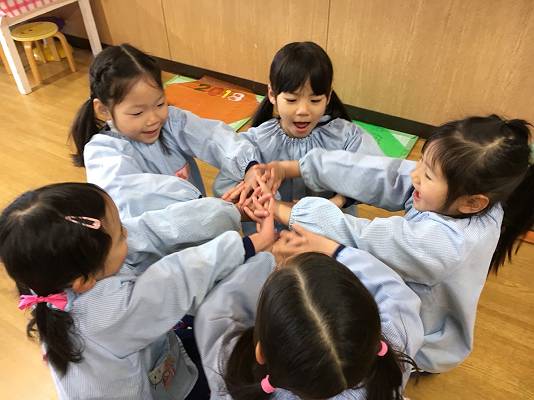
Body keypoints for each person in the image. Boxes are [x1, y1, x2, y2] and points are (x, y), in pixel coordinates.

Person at [267, 114, 534, 372]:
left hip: (421, 344)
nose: (415, 175)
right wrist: (293, 168)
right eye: (421, 162)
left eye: (428, 175)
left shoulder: (442, 244)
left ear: (472, 202)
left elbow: (362, 238)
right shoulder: (462, 195)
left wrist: (278, 209)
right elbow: (383, 173)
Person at [0, 182, 275, 400]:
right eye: (120, 233)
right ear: (84, 281)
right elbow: (175, 279)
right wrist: (250, 244)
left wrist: (228, 211)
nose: (127, 233)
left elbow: (151, 229)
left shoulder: (56, 272)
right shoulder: (106, 314)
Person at [194, 233, 424, 400]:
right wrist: (334, 249)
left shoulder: (233, 378)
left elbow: (216, 313)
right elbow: (396, 295)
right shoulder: (393, 351)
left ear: (261, 352)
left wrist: (265, 257)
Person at [69, 43, 262, 221]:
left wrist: (249, 166)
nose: (153, 119)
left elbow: (212, 136)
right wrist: (212, 209)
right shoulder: (103, 153)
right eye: (137, 113)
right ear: (103, 110)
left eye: (160, 104)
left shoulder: (171, 122)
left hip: (201, 219)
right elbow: (133, 198)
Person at [217, 41, 382, 229]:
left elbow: (375, 176)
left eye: (315, 100)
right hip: (272, 237)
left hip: (329, 233)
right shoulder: (255, 142)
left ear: (328, 97)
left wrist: (337, 201)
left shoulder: (346, 136)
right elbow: (226, 187)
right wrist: (266, 199)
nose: (303, 110)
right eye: (292, 100)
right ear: (272, 94)